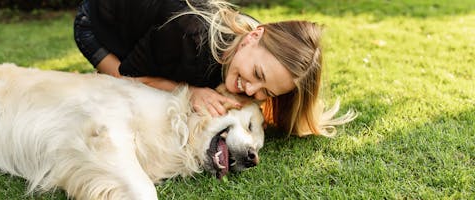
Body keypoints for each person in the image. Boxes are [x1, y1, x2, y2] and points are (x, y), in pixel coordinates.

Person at [73, 0, 356, 137]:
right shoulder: (189, 36)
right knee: (120, 85)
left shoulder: (249, 49)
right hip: (97, 24)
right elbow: (129, 76)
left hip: (154, 35)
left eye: (265, 91)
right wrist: (189, 91)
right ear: (254, 36)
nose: (251, 89)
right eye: (258, 74)